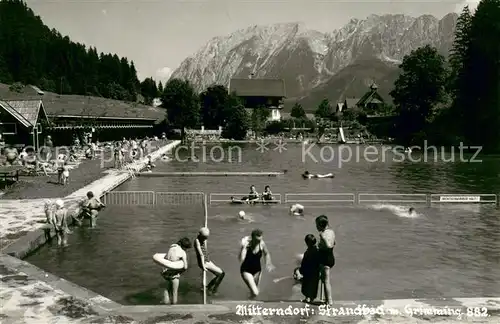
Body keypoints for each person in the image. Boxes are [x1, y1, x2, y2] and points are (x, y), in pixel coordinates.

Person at [239, 229, 275, 298]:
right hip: (246, 271)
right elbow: (241, 259)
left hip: (257, 271)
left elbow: (266, 253)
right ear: (252, 238)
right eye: (257, 240)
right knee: (255, 292)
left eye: (260, 240)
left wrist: (268, 263)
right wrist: (243, 248)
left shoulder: (262, 243)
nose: (259, 242)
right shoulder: (247, 245)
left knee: (254, 292)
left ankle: (249, 303)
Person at [194, 227, 225, 295]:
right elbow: (201, 254)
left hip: (207, 260)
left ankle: (208, 288)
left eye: (206, 237)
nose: (206, 239)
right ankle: (213, 290)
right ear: (200, 235)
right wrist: (203, 266)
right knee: (222, 274)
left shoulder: (200, 238)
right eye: (205, 237)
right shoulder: (197, 241)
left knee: (219, 274)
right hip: (204, 262)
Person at [162, 237, 192, 304]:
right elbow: (185, 267)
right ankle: (174, 308)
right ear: (184, 246)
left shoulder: (171, 247)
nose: (187, 250)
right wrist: (179, 272)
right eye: (186, 248)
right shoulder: (182, 252)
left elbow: (165, 258)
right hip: (174, 274)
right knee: (174, 292)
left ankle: (165, 306)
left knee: (166, 290)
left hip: (166, 272)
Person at [315, 215, 336, 305]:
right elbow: (334, 243)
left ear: (320, 225)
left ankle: (329, 301)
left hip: (325, 258)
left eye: (317, 225)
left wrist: (323, 239)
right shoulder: (331, 232)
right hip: (330, 256)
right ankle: (325, 299)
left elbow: (329, 245)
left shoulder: (323, 234)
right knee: (324, 279)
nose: (316, 227)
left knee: (326, 281)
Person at [297, 234, 321, 303]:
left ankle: (307, 298)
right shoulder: (317, 251)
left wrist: (301, 270)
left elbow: (304, 263)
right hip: (315, 271)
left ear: (307, 243)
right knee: (314, 285)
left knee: (306, 285)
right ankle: (312, 298)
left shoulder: (307, 252)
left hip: (308, 272)